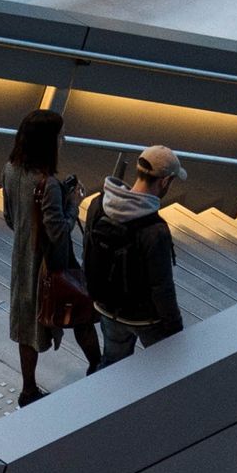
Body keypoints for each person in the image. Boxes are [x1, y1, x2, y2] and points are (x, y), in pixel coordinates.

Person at [2, 107, 100, 406]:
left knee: (27, 326)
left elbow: (9, 217)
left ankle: (28, 389)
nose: (62, 140)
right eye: (60, 135)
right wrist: (73, 203)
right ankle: (98, 365)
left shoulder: (11, 169)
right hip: (53, 265)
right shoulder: (49, 185)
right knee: (81, 312)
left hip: (23, 263)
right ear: (48, 141)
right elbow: (59, 231)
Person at [82, 143, 187, 360]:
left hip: (106, 306)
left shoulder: (98, 204)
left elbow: (87, 251)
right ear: (165, 181)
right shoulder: (155, 230)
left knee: (113, 364)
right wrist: (175, 326)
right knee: (165, 369)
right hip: (144, 318)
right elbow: (161, 286)